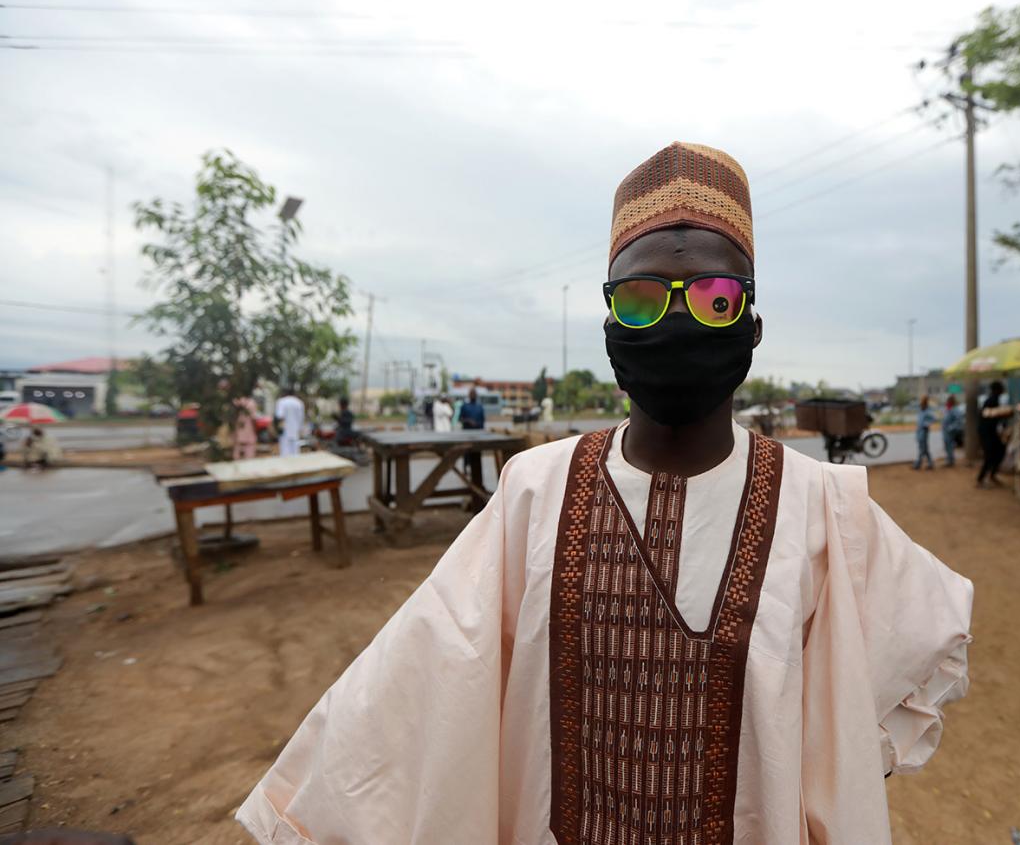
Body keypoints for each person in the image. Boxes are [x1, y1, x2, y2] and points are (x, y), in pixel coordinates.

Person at [237, 141, 972, 844]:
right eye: (642, 299)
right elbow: (415, 688)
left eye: (715, 297)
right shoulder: (534, 490)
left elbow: (864, 714)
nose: (678, 316)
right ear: (610, 323)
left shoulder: (826, 510)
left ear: (749, 324)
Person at [976, 380, 1013, 487]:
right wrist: (1004, 414)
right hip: (986, 432)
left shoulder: (995, 400)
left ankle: (992, 475)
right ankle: (981, 479)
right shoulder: (990, 401)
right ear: (996, 390)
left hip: (990, 432)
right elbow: (988, 415)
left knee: (1000, 451)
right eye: (1001, 388)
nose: (1002, 390)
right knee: (989, 455)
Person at [273, 388, 305, 457]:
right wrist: (300, 429)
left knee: (285, 451)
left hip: (285, 430)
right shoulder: (299, 402)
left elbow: (280, 416)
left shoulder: (281, 401)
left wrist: (278, 429)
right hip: (295, 430)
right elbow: (301, 418)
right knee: (295, 451)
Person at [913, 395, 936, 470]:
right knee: (924, 449)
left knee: (922, 448)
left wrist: (926, 424)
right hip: (919, 430)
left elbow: (933, 419)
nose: (921, 403)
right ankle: (931, 463)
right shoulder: (921, 410)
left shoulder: (928, 411)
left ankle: (918, 464)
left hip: (924, 430)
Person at [232, 396, 258, 460]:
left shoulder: (235, 402)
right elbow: (253, 418)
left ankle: (237, 460)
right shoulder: (251, 403)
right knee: (249, 446)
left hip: (237, 430)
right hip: (249, 429)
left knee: (237, 446)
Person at [941, 395, 962, 467]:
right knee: (947, 446)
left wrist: (951, 428)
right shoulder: (948, 409)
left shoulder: (955, 409)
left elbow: (958, 421)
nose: (947, 402)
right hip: (946, 431)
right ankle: (949, 460)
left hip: (950, 431)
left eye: (949, 401)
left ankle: (950, 461)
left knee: (950, 446)